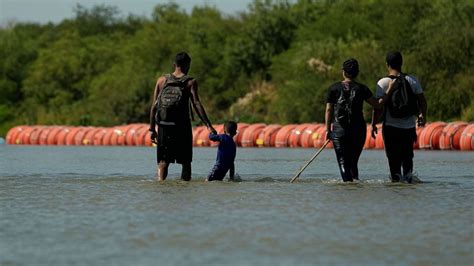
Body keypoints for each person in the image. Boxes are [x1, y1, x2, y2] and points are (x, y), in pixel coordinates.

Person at [149, 52, 216, 181]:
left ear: (174, 64)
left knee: (163, 162)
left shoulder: (162, 81)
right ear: (187, 65)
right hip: (182, 127)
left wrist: (152, 129)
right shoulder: (190, 82)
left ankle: (161, 186)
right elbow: (196, 103)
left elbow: (154, 107)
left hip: (164, 126)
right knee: (185, 162)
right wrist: (208, 125)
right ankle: (185, 189)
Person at [325, 58, 393, 182]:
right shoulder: (362, 89)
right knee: (353, 161)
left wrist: (327, 130)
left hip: (339, 130)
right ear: (357, 73)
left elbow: (329, 110)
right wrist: (389, 90)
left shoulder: (333, 88)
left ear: (343, 71)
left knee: (343, 162)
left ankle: (348, 186)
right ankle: (355, 186)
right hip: (358, 130)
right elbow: (378, 105)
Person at [372, 51, 427, 183]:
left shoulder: (383, 82)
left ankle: (396, 186)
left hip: (391, 128)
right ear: (401, 63)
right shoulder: (412, 80)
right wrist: (422, 115)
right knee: (408, 159)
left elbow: (378, 107)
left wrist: (373, 123)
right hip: (408, 127)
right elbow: (422, 101)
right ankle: (409, 183)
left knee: (393, 161)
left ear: (387, 64)